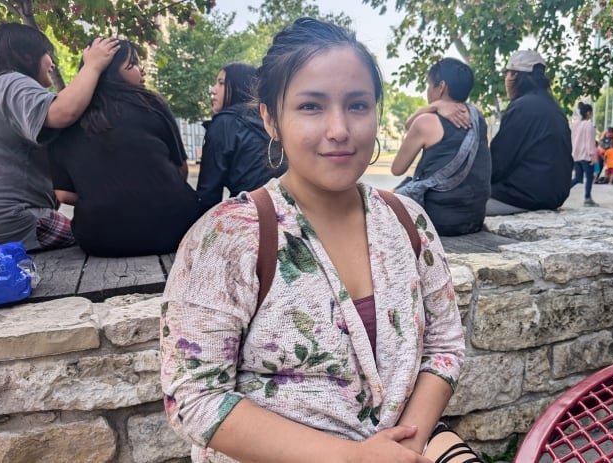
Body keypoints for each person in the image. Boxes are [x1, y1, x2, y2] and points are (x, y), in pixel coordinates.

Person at [160, 18, 476, 463]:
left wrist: (404, 444)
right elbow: (195, 397)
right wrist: (351, 458)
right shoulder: (228, 238)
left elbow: (444, 345)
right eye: (311, 106)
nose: (339, 129)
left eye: (358, 106)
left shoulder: (409, 222)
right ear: (271, 118)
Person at [48, 40, 200, 257]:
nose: (142, 70)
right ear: (111, 74)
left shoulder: (62, 118)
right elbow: (182, 170)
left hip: (101, 240)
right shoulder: (151, 103)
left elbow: (64, 195)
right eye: (133, 64)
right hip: (176, 230)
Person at [0, 23, 119, 251]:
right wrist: (92, 67)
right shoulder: (11, 82)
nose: (52, 63)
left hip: (7, 218)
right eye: (47, 55)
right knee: (99, 236)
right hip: (18, 217)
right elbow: (63, 112)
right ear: (25, 55)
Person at [391, 57, 491, 236]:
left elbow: (397, 168)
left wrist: (431, 108)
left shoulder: (426, 122)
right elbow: (409, 125)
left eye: (429, 85)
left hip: (438, 220)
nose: (428, 91)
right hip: (474, 218)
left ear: (441, 87)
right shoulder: (478, 118)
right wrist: (436, 106)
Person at [486, 50, 573, 215]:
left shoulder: (521, 107)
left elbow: (498, 163)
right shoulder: (554, 107)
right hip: (553, 195)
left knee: (450, 207)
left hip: (523, 197)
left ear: (513, 76)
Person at [197, 62, 287, 213]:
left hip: (250, 215)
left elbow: (208, 194)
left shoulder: (224, 124)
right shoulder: (274, 119)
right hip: (289, 211)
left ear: (238, 86)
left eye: (221, 83)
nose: (213, 90)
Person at [570, 102, 598, 206]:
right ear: (588, 113)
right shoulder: (588, 125)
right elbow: (589, 141)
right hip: (586, 156)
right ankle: (587, 198)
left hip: (576, 155)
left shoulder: (575, 125)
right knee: (589, 178)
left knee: (577, 178)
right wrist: (592, 155)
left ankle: (561, 190)